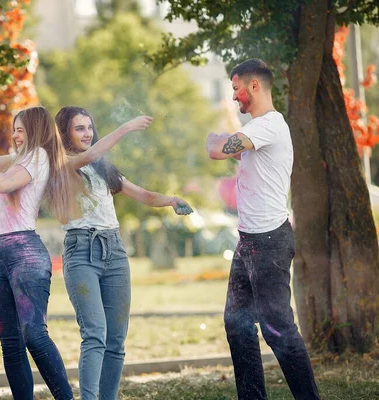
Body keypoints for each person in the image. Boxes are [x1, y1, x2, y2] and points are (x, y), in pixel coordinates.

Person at [0, 106, 152, 400]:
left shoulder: (41, 157)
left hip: (26, 253)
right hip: (2, 253)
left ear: (35, 132)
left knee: (35, 335)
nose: (15, 135)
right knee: (11, 343)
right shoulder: (19, 158)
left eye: (20, 130)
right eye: (13, 130)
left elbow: (2, 182)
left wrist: (125, 127)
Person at [54, 106, 193, 400]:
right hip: (81, 252)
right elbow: (89, 155)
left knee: (116, 340)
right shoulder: (61, 162)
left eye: (89, 127)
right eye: (79, 128)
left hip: (114, 252)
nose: (87, 133)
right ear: (64, 132)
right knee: (95, 334)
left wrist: (171, 200)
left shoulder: (103, 168)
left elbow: (142, 194)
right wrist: (126, 127)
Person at [206, 58, 320, 399]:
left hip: (269, 242)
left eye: (237, 89)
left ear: (255, 86)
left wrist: (214, 138)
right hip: (249, 241)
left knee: (278, 327)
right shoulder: (257, 135)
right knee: (236, 323)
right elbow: (238, 154)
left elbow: (216, 150)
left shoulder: (268, 125)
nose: (235, 96)